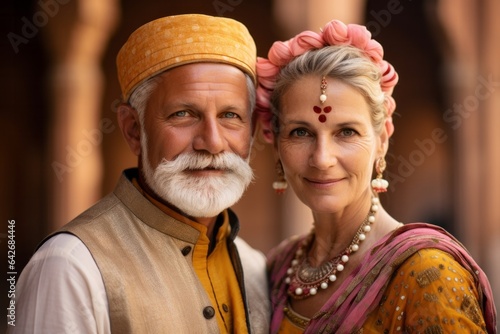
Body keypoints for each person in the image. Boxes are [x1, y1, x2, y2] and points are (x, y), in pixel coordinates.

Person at [10, 14, 270, 334]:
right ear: (134, 130)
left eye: (230, 116)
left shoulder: (255, 267)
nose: (213, 143)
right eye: (183, 114)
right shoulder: (69, 266)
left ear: (253, 131)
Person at [255, 19, 497, 333]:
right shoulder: (279, 269)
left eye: (346, 132)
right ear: (275, 143)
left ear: (382, 139)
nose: (322, 158)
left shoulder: (426, 273)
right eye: (301, 132)